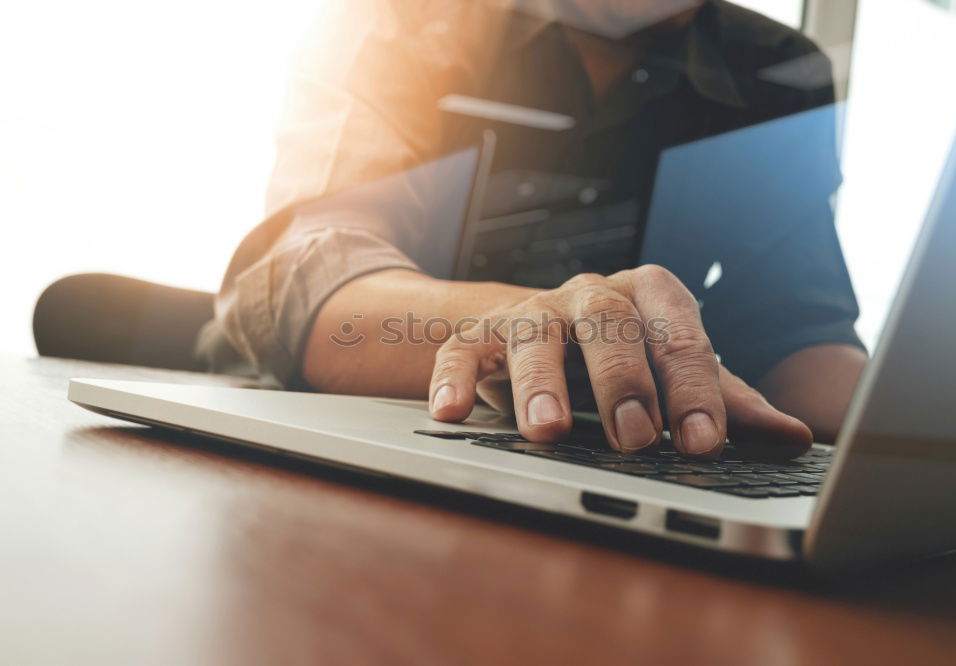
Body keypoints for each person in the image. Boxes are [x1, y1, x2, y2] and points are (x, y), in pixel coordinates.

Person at [198, 0, 868, 459]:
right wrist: (540, 320)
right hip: (335, 435)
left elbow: (799, 338)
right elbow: (311, 283)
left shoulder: (779, 71)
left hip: (615, 456)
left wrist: (945, 423)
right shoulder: (401, 19)